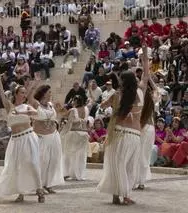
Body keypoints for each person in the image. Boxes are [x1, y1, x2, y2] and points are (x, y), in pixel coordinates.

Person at [97, 45, 149, 205]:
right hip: (133, 135)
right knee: (128, 167)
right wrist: (144, 57)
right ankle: (123, 194)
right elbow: (146, 75)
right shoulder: (140, 91)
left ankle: (118, 193)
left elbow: (102, 107)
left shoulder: (118, 95)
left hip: (120, 134)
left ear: (122, 82)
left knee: (117, 164)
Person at [0, 65, 45, 203]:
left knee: (33, 163)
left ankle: (39, 189)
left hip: (28, 137)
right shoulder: (10, 106)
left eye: (24, 92)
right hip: (15, 140)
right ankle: (21, 192)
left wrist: (35, 83)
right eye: (21, 92)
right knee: (16, 166)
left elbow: (36, 114)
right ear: (16, 94)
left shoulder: (27, 107)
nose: (24, 94)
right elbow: (1, 91)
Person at [28, 83, 64, 194]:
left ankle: (48, 184)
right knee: (41, 161)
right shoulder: (36, 104)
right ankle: (38, 185)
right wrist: (33, 85)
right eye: (49, 92)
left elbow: (56, 116)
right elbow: (29, 98)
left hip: (54, 135)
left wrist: (59, 110)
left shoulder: (51, 105)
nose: (51, 94)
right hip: (41, 137)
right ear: (44, 93)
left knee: (53, 160)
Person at [135, 78, 159, 190]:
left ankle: (136, 180)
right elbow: (156, 90)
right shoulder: (150, 99)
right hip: (150, 128)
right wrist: (149, 78)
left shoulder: (138, 98)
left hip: (141, 128)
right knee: (145, 155)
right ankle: (141, 181)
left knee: (137, 155)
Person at [60, 95, 89, 181]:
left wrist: (62, 132)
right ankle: (79, 174)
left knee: (69, 154)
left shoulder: (73, 110)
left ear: (75, 101)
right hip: (84, 133)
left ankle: (66, 173)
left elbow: (69, 123)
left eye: (73, 101)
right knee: (81, 156)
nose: (72, 102)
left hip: (74, 133)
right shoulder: (86, 109)